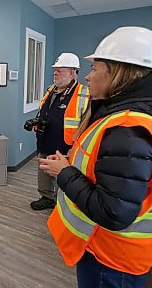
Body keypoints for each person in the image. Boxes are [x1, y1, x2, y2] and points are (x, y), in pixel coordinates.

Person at [39, 27, 152, 288]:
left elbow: (113, 211)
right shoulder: (122, 117)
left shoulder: (129, 128)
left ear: (116, 71)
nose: (89, 77)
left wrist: (64, 172)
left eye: (94, 68)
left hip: (111, 259)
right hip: (107, 252)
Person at [26, 53, 89, 210]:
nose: (55, 73)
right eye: (55, 70)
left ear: (73, 73)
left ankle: (62, 204)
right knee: (44, 172)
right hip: (45, 140)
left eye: (60, 70)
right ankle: (46, 198)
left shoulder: (84, 94)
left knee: (63, 175)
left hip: (67, 145)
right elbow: (45, 111)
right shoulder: (52, 89)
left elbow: (86, 123)